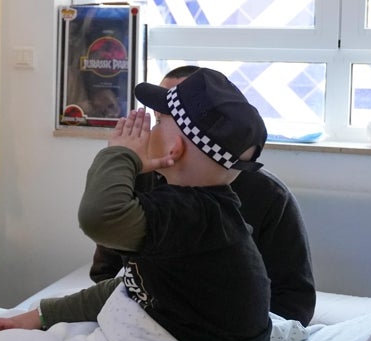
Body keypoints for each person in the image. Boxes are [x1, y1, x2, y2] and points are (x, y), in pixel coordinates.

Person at [0, 68, 272, 341]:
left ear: (174, 147)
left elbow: (98, 218)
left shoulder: (192, 216)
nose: (149, 127)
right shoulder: (198, 212)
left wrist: (122, 155)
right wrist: (39, 315)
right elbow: (135, 288)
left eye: (160, 120)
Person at [90, 65, 316, 324]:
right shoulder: (137, 181)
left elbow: (294, 301)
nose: (154, 131)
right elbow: (106, 271)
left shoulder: (269, 197)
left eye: (167, 120)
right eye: (158, 118)